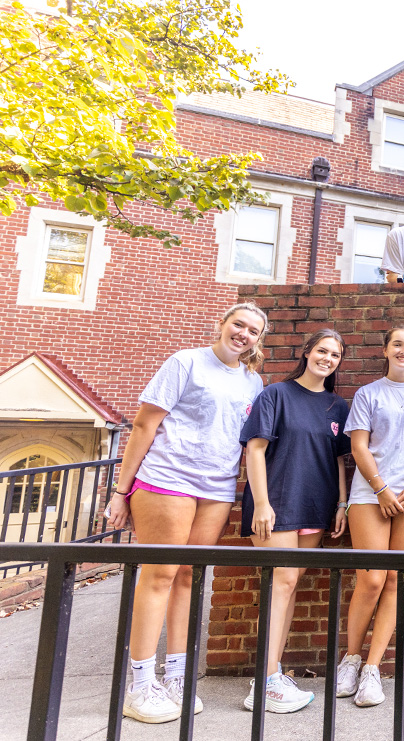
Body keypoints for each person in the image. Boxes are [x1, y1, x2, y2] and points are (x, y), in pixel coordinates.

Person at [104, 303, 267, 723]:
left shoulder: (253, 381)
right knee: (160, 573)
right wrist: (121, 491)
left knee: (189, 577)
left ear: (258, 340)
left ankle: (176, 676)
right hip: (167, 479)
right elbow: (144, 425)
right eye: (239, 325)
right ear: (222, 324)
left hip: (216, 488)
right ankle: (139, 685)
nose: (244, 334)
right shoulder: (185, 362)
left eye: (253, 330)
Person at [334, 326, 404, 708]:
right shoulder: (368, 394)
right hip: (371, 494)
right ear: (386, 349)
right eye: (398, 344)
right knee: (371, 579)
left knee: (396, 579)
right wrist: (382, 489)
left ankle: (372, 669)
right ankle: (350, 660)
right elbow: (358, 446)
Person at [239, 329, 352, 714]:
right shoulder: (275, 395)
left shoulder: (338, 406)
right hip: (278, 504)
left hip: (316, 505)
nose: (328, 358)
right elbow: (255, 449)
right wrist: (261, 504)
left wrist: (341, 503)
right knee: (281, 583)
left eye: (335, 354)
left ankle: (273, 672)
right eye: (322, 350)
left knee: (289, 586)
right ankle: (264, 681)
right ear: (307, 352)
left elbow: (339, 459)